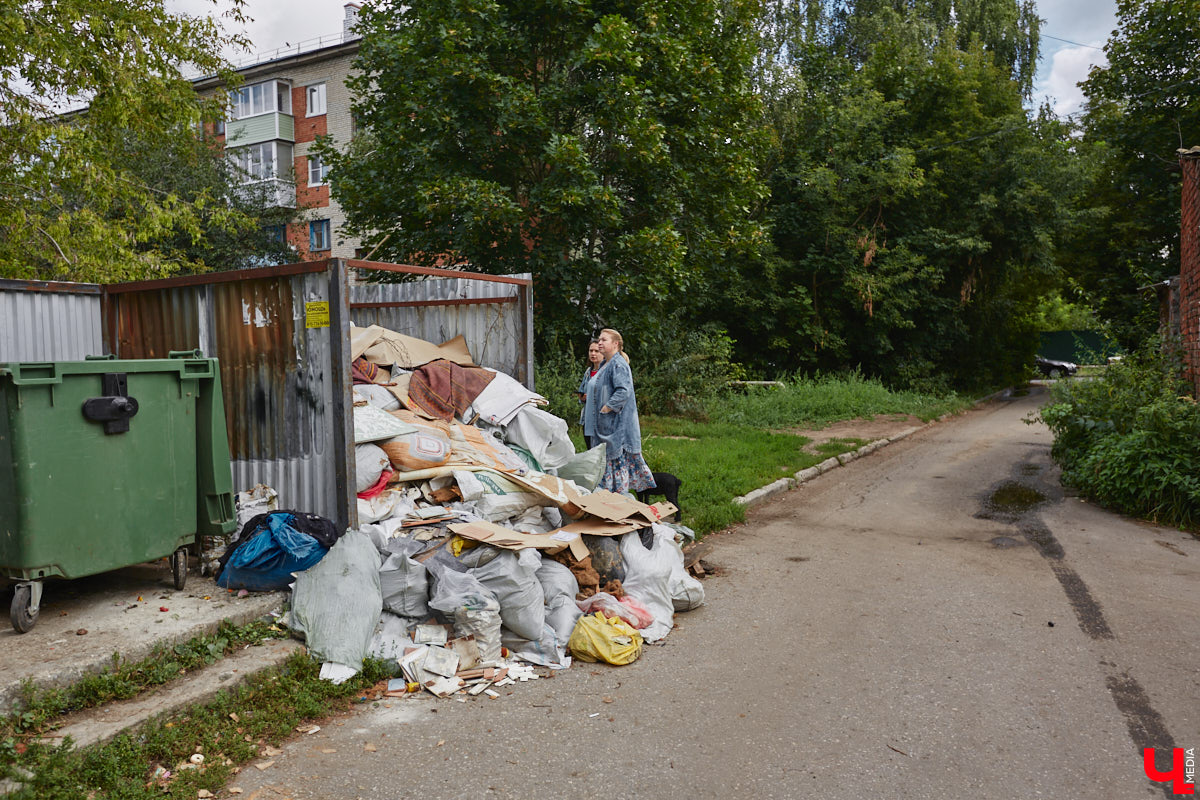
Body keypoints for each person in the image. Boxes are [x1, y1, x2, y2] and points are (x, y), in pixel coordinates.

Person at [583, 328, 655, 495]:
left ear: (615, 344)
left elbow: (624, 391)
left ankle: (618, 506)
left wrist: (607, 407)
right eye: (599, 339)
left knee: (615, 468)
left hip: (614, 429)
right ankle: (607, 505)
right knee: (603, 468)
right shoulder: (604, 364)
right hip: (601, 428)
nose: (599, 343)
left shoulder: (618, 364)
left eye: (604, 340)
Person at [576, 340, 604, 448]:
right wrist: (582, 397)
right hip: (587, 417)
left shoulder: (607, 371)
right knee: (590, 448)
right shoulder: (588, 372)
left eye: (597, 351)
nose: (593, 354)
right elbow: (582, 389)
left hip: (601, 417)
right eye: (591, 350)